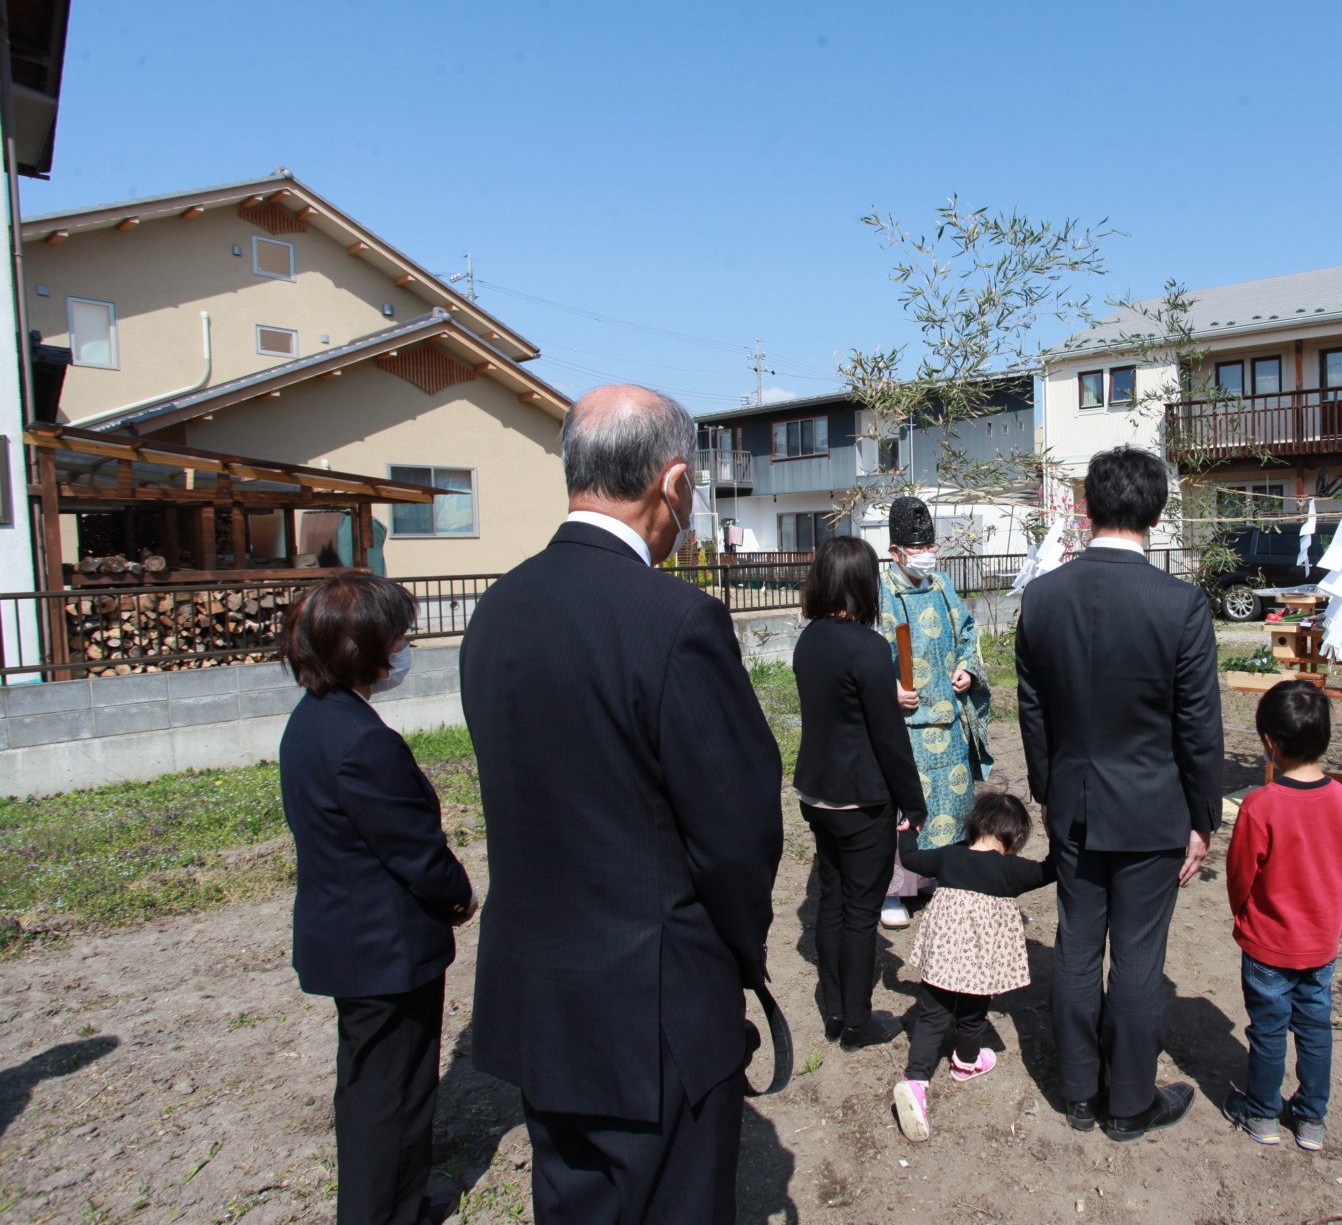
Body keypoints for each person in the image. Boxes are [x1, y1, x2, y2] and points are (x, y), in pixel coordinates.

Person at [459, 385, 784, 1225]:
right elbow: (738, 835)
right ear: (672, 484)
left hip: (540, 1002)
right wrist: (740, 959)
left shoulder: (497, 610)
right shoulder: (676, 620)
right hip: (655, 1008)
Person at [1015, 445, 1223, 1141]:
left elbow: (1033, 710)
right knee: (1138, 957)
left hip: (1074, 800)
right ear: (1157, 514)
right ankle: (1128, 1102)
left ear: (1086, 508)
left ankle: (1078, 1091)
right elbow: (1198, 728)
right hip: (1152, 808)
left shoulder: (1043, 597)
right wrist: (1203, 819)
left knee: (1076, 947)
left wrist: (1048, 792)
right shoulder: (1180, 604)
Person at [277, 570, 477, 1225]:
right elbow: (416, 855)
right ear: (365, 649)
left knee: (372, 1088)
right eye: (399, 636)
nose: (405, 649)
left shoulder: (313, 721)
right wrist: (461, 898)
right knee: (392, 1095)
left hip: (347, 936)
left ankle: (397, 1202)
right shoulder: (363, 743)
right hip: (385, 949)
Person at [793, 536, 927, 1048]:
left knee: (831, 900)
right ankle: (856, 1021)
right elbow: (888, 737)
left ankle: (834, 1010)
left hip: (817, 792)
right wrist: (913, 803)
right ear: (859, 583)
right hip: (862, 798)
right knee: (860, 911)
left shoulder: (811, 640)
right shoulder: (868, 648)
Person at [1224, 681, 1342, 1152]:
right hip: (1320, 941)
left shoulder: (1261, 805)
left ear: (1269, 743)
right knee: (1316, 1028)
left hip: (1268, 943)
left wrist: (1241, 913)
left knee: (1268, 1029)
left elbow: (1240, 873)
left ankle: (1262, 1114)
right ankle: (1311, 1119)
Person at [889, 789, 1055, 1143]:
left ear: (972, 826)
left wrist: (908, 833)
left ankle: (915, 1080)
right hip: (983, 963)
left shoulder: (949, 857)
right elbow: (1050, 871)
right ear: (1017, 838)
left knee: (932, 1014)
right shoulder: (1014, 870)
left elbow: (913, 860)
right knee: (973, 1013)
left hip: (943, 957)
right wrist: (1059, 836)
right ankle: (966, 1062)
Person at [877, 495, 993, 928]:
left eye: (930, 547)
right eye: (917, 548)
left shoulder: (943, 584)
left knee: (953, 802)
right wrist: (888, 688)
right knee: (908, 811)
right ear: (896, 552)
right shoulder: (879, 592)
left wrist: (966, 668)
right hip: (905, 723)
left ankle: (946, 877)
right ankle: (895, 891)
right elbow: (868, 650)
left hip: (950, 717)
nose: (927, 555)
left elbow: (967, 630)